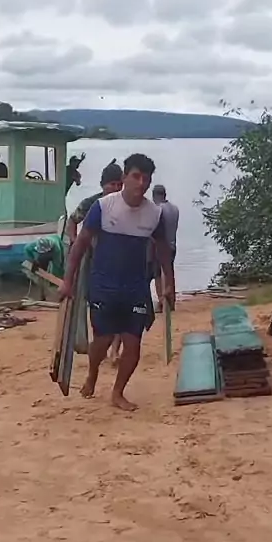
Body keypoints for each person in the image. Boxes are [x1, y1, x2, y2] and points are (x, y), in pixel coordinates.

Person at [58, 153, 175, 411]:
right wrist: (68, 281)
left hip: (136, 287)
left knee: (133, 344)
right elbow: (80, 244)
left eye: (146, 179)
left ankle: (117, 393)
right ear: (124, 177)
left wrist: (169, 284)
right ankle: (92, 374)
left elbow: (163, 250)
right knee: (102, 340)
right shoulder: (103, 207)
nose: (141, 183)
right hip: (103, 285)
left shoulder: (154, 214)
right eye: (136, 176)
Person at [66, 159, 124, 365]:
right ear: (103, 185)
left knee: (121, 306)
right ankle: (100, 342)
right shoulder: (92, 204)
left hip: (119, 262)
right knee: (96, 305)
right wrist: (75, 242)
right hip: (93, 262)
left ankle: (115, 350)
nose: (115, 188)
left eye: (119, 184)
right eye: (111, 184)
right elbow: (72, 221)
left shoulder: (127, 205)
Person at [152, 184, 179, 312]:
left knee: (158, 274)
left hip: (161, 246)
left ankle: (161, 302)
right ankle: (171, 301)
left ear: (155, 196)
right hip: (173, 245)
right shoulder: (174, 209)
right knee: (169, 273)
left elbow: (155, 231)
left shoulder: (158, 209)